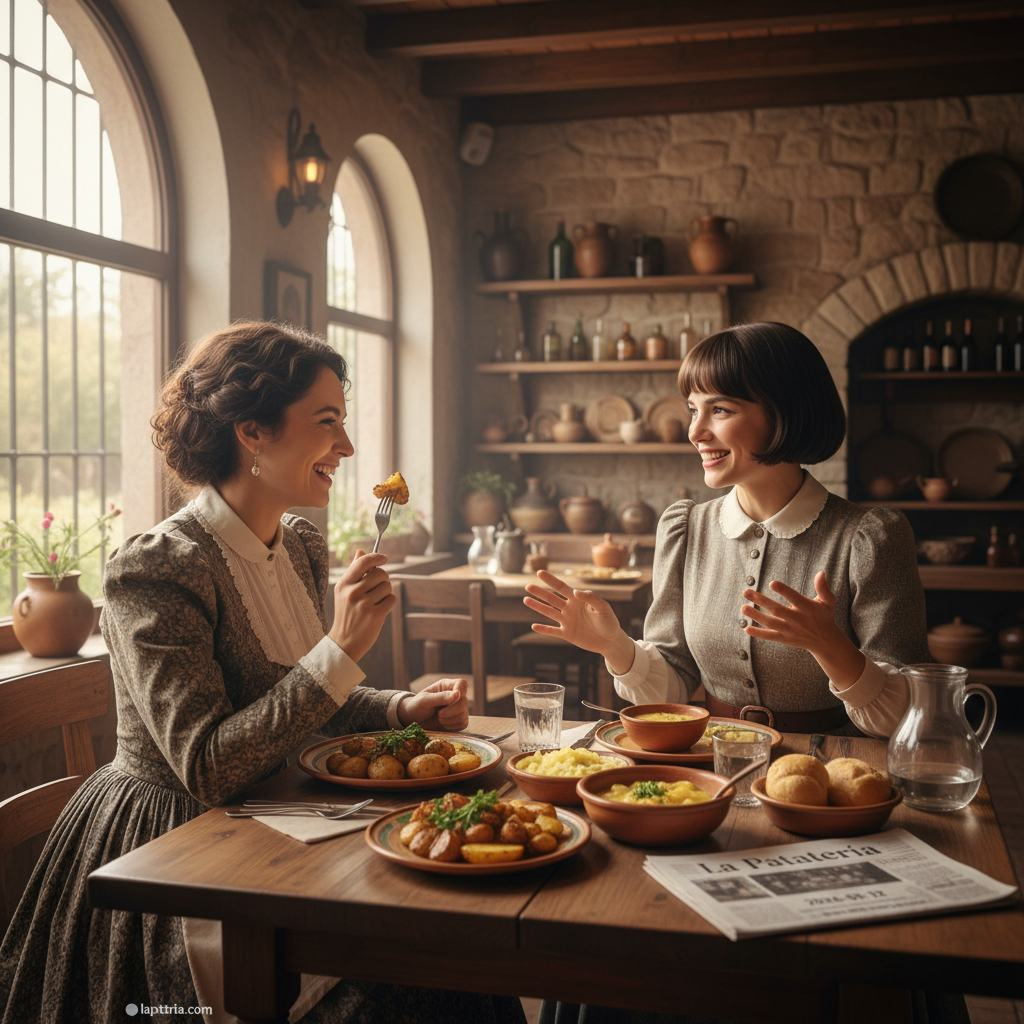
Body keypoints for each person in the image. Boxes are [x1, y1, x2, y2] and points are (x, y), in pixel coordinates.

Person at [1, 321, 526, 1024]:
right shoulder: (158, 568)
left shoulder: (301, 545)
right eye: (327, 422)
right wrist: (340, 648)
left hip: (286, 815)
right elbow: (210, 767)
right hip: (180, 850)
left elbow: (303, 699)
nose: (347, 446)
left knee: (455, 944)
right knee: (407, 982)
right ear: (252, 432)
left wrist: (401, 709)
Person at [526, 321, 931, 739]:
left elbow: (905, 715)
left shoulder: (869, 538)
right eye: (693, 409)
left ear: (784, 411)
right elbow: (673, 688)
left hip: (832, 767)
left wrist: (832, 647)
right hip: (711, 759)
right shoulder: (685, 530)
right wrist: (615, 646)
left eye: (719, 409)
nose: (695, 432)